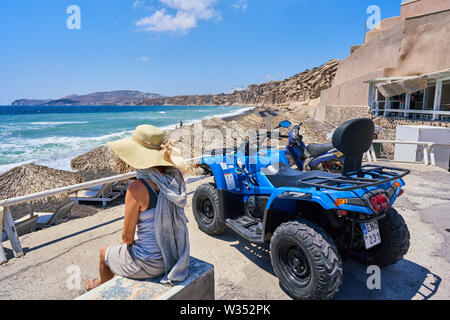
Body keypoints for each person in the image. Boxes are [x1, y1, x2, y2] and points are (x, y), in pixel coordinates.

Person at [85, 124, 190, 291]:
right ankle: (102, 282)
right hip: (173, 255)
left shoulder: (137, 187)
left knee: (104, 253)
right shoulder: (176, 179)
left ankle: (102, 289)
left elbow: (127, 238)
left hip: (149, 264)